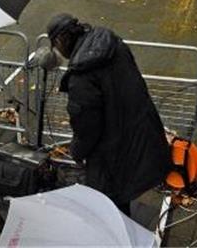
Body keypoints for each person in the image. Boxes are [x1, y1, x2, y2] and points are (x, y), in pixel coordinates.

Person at [46, 14, 171, 216]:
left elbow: (87, 128)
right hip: (142, 131)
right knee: (123, 195)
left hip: (113, 154)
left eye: (56, 46)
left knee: (111, 203)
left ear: (61, 40)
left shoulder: (81, 77)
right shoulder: (113, 44)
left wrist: (77, 151)